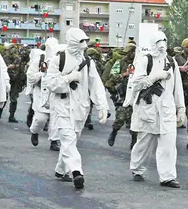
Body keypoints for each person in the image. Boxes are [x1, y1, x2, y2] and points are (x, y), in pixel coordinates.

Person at [42, 28, 109, 189]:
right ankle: (77, 172)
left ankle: (60, 169)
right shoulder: (59, 59)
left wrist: (102, 106)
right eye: (81, 41)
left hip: (80, 107)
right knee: (68, 139)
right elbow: (50, 83)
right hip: (62, 105)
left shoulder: (88, 61)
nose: (84, 45)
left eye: (85, 41)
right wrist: (67, 79)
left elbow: (96, 84)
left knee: (71, 140)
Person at [126, 31, 185, 188]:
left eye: (164, 41)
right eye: (158, 41)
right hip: (148, 107)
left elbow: (178, 88)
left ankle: (167, 177)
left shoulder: (171, 62)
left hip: (167, 109)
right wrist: (154, 77)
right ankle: (137, 168)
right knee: (144, 143)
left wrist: (181, 109)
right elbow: (136, 84)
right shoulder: (145, 61)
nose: (162, 45)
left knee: (168, 145)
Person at [26, 38, 62, 155]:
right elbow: (30, 77)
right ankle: (34, 131)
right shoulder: (38, 60)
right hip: (40, 93)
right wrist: (42, 74)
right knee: (40, 119)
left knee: (55, 120)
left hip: (55, 93)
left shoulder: (60, 60)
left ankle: (54, 141)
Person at [105, 41, 137, 149]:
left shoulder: (139, 62)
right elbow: (112, 76)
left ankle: (134, 141)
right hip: (123, 94)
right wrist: (125, 74)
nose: (132, 54)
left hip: (136, 94)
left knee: (135, 120)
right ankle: (114, 132)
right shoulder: (120, 62)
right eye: (130, 52)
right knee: (120, 117)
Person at [4, 43, 28, 123]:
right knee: (4, 97)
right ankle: (0, 113)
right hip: (6, 80)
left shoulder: (18, 58)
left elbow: (20, 67)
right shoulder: (5, 58)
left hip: (15, 80)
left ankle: (11, 116)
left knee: (13, 99)